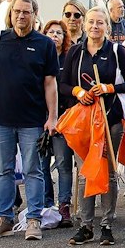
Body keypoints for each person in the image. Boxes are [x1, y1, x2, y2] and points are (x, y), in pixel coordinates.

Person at [0, 0, 60, 240]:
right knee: (3, 171)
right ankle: (4, 218)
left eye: (26, 12)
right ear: (10, 13)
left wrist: (52, 117)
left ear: (34, 15)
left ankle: (34, 219)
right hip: (0, 118)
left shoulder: (45, 44)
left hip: (32, 119)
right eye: (17, 11)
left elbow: (50, 83)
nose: (21, 16)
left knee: (33, 170)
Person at [61, 7, 125, 246]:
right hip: (84, 122)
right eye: (91, 22)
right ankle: (85, 225)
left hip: (109, 120)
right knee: (85, 171)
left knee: (108, 170)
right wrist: (78, 91)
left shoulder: (116, 51)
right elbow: (63, 84)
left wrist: (109, 88)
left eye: (100, 23)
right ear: (85, 25)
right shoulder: (76, 51)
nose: (95, 27)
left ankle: (106, 223)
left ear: (108, 26)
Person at [42, 16, 77, 226]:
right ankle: (46, 203)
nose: (54, 36)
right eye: (51, 32)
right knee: (41, 164)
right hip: (38, 119)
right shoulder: (39, 57)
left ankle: (64, 204)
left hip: (64, 118)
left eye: (58, 33)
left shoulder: (69, 58)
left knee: (64, 163)